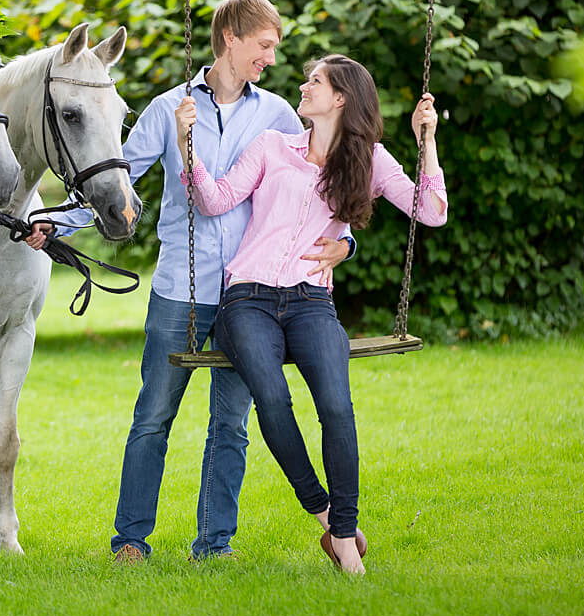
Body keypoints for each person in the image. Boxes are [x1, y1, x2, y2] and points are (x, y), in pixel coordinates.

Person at [27, 0, 354, 562]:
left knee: (231, 425)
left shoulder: (279, 114)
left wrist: (345, 241)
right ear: (231, 37)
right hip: (180, 290)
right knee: (154, 415)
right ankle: (131, 539)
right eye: (264, 45)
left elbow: (329, 183)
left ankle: (214, 544)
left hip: (252, 300)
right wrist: (54, 221)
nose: (271, 59)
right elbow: (118, 178)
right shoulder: (168, 108)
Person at [175, 54, 447, 574]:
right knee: (273, 400)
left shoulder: (369, 160)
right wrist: (190, 149)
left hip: (310, 302)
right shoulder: (274, 146)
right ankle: (326, 515)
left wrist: (426, 142)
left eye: (314, 81)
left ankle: (345, 533)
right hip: (247, 299)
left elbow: (431, 213)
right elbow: (216, 200)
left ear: (340, 98)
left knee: (337, 408)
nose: (304, 86)